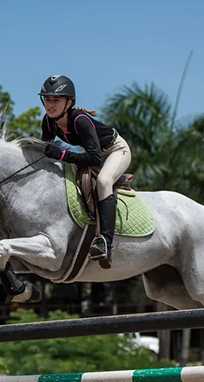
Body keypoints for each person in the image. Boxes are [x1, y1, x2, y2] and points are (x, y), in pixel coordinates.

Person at [39, 75, 131, 269]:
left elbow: (95, 158)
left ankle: (105, 242)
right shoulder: (48, 122)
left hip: (115, 151)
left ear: (69, 102)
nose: (50, 104)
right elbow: (46, 152)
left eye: (56, 100)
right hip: (91, 153)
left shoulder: (80, 121)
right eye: (47, 99)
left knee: (105, 181)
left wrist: (63, 154)